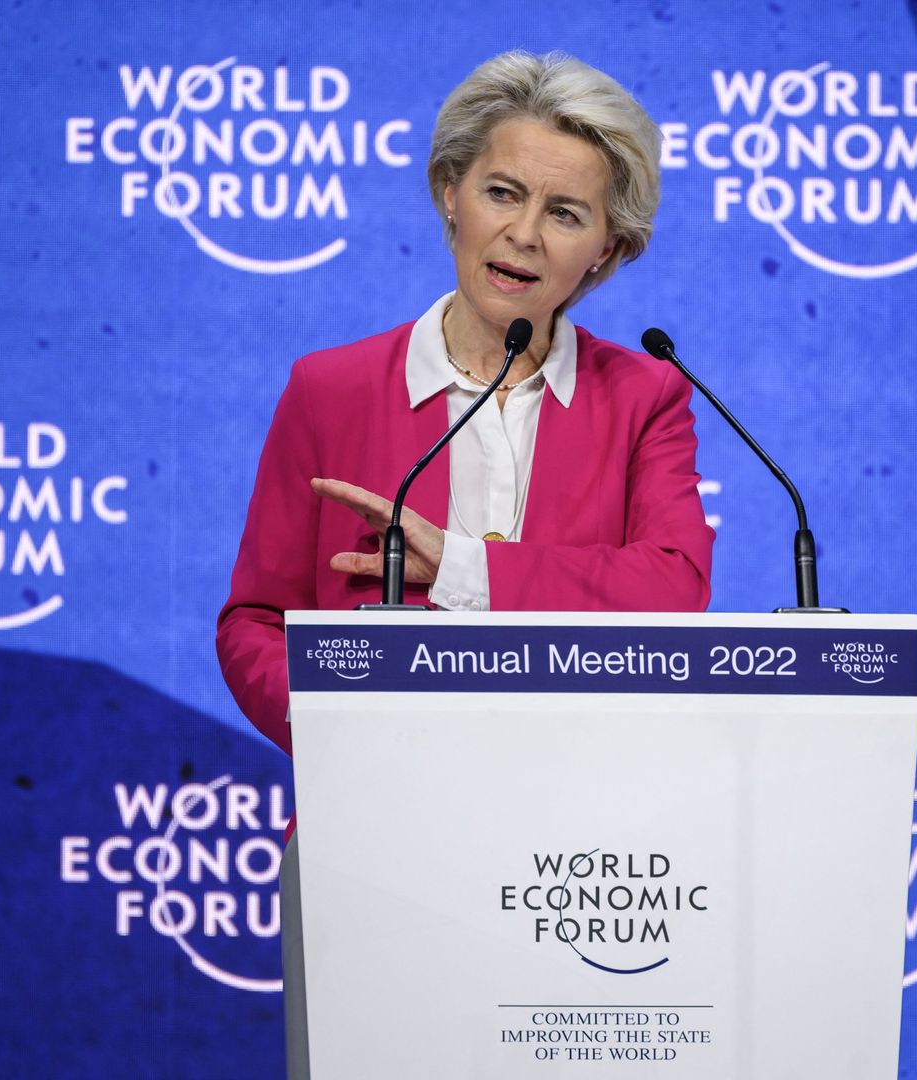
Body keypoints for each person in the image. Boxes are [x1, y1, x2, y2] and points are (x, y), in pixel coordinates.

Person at [213, 50, 714, 1079]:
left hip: (584, 863)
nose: (525, 233)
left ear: (607, 251)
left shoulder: (645, 399)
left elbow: (672, 588)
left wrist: (465, 570)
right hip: (371, 841)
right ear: (450, 193)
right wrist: (347, 726)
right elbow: (254, 621)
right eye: (502, 192)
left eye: (566, 213)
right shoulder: (329, 390)